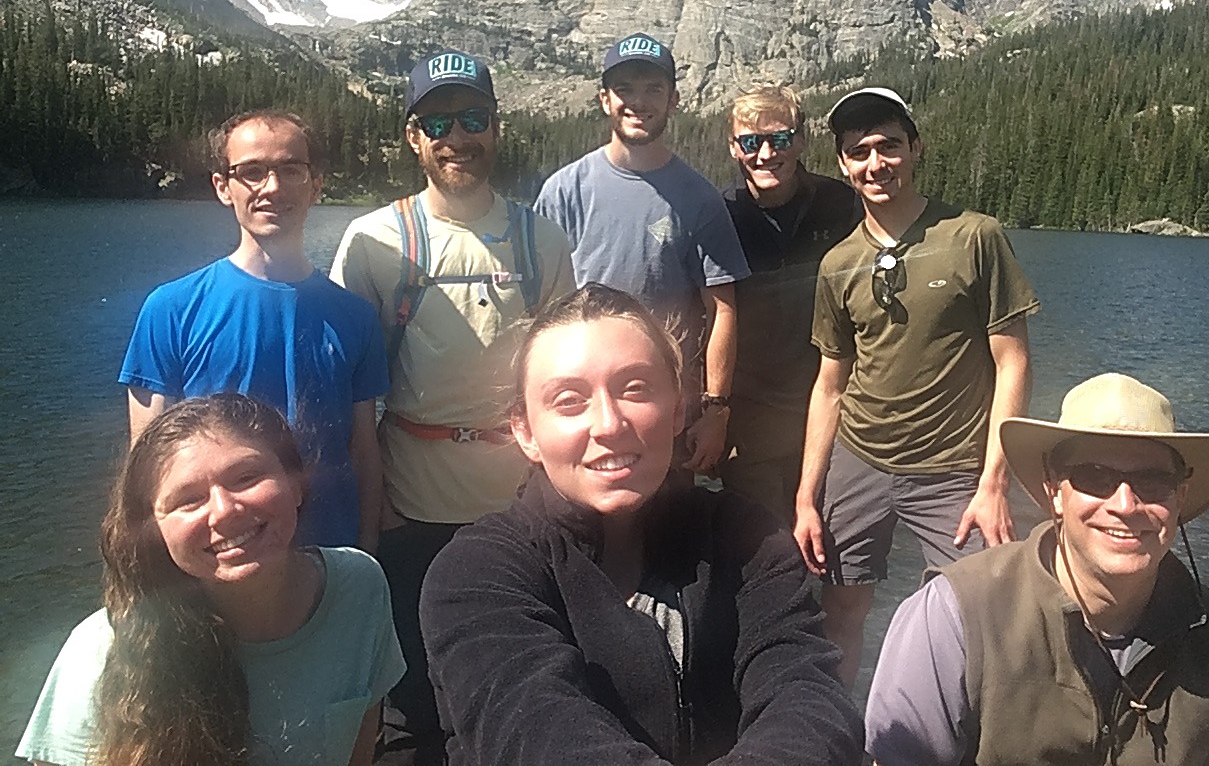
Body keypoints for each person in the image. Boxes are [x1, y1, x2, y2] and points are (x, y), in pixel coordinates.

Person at [420, 283, 863, 765]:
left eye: (635, 389)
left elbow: (809, 698)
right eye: (569, 399)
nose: (609, 424)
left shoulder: (747, 540)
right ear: (525, 431)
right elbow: (535, 732)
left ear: (677, 408)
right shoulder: (476, 574)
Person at [330, 49, 573, 764]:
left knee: (525, 675)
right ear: (414, 137)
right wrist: (372, 506)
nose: (456, 138)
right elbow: (352, 392)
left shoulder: (543, 236)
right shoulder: (372, 240)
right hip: (412, 502)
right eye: (438, 121)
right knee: (412, 697)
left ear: (496, 128)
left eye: (472, 119)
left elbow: (563, 380)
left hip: (519, 504)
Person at [865, 372, 1209, 764]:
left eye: (1153, 481)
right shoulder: (951, 619)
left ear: (1179, 497)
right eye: (1094, 476)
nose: (1124, 505)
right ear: (1054, 491)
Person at [793, 87, 1039, 683]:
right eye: (859, 152)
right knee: (841, 611)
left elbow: (1014, 362)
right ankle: (836, 738)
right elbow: (830, 385)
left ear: (915, 148)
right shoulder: (838, 264)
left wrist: (994, 482)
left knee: (982, 620)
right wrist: (806, 497)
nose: (875, 164)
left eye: (888, 146)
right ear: (843, 165)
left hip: (955, 471)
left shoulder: (974, 236)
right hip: (860, 461)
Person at [16, 393, 405, 766]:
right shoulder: (103, 650)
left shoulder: (359, 587)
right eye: (188, 500)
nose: (224, 510)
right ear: (154, 531)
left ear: (297, 484)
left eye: (246, 477)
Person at [119, 110, 388, 551]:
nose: (273, 187)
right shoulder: (170, 309)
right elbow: (146, 460)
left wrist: (368, 544)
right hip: (222, 555)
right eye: (252, 172)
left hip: (331, 556)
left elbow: (363, 451)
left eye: (291, 170)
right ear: (223, 187)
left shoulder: (355, 317)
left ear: (316, 184)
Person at [534, 33, 750, 475]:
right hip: (579, 408)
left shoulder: (700, 198)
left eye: (653, 89)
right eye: (625, 89)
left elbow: (723, 309)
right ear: (604, 100)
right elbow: (535, 306)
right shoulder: (563, 190)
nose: (639, 101)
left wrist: (717, 410)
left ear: (673, 100)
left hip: (665, 411)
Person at [720, 83, 860, 523]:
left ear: (800, 141)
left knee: (832, 551)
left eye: (779, 139)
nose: (766, 154)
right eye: (751, 142)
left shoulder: (842, 204)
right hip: (750, 424)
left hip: (835, 412)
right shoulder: (718, 214)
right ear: (733, 148)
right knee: (763, 551)